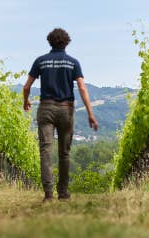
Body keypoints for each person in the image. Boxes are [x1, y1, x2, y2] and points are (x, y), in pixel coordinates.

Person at [22, 27, 98, 201]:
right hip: (66, 110)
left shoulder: (40, 61)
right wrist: (90, 113)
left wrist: (25, 101)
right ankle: (63, 192)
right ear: (67, 42)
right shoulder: (73, 63)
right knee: (64, 153)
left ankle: (48, 193)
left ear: (49, 41)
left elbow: (26, 86)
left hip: (46, 109)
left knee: (45, 151)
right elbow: (82, 87)